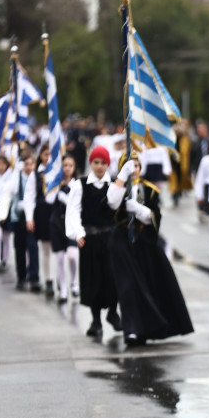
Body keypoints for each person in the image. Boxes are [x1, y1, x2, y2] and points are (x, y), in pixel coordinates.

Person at [107, 154, 194, 346]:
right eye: (130, 165)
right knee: (127, 286)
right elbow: (112, 204)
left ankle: (147, 327)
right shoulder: (117, 187)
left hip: (143, 242)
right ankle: (130, 329)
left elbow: (155, 216)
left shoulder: (150, 190)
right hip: (122, 242)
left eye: (137, 165)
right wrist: (122, 178)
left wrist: (138, 209)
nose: (134, 169)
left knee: (147, 285)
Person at [65, 145, 121, 338]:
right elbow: (72, 211)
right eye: (96, 162)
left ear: (108, 164)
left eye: (103, 163)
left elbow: (118, 206)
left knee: (113, 276)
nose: (99, 166)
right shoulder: (80, 184)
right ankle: (96, 320)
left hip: (110, 237)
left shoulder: (114, 184)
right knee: (93, 279)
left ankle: (113, 312)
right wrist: (78, 232)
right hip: (90, 238)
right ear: (91, 163)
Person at [46, 154, 80, 304]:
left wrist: (66, 199)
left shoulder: (77, 185)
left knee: (72, 255)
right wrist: (55, 187)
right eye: (65, 165)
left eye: (70, 166)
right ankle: (63, 290)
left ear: (74, 168)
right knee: (59, 258)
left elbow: (78, 205)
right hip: (56, 225)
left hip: (71, 225)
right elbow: (48, 200)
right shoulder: (56, 184)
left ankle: (74, 282)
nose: (67, 168)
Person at [8, 150, 40, 292]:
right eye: (26, 164)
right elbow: (12, 189)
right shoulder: (17, 177)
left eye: (31, 164)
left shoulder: (37, 177)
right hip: (18, 217)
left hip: (32, 217)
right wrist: (16, 171)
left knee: (32, 246)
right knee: (19, 247)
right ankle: (21, 276)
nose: (29, 167)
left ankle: (34, 277)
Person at [25, 145, 56, 298]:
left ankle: (66, 282)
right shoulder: (36, 174)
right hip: (42, 212)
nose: (48, 157)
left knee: (63, 251)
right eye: (45, 154)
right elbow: (29, 197)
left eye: (51, 154)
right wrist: (29, 217)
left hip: (58, 212)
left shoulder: (59, 172)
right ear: (41, 156)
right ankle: (48, 278)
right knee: (46, 248)